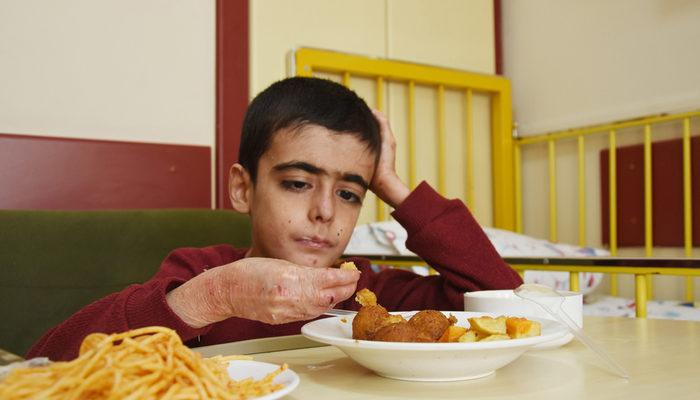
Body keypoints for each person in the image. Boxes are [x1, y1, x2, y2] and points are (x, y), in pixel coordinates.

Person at [28, 77, 522, 361]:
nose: (325, 211)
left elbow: (500, 297)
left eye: (350, 193)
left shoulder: (371, 293)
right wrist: (212, 297)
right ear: (243, 188)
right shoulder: (199, 271)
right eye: (297, 183)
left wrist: (393, 185)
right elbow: (45, 364)